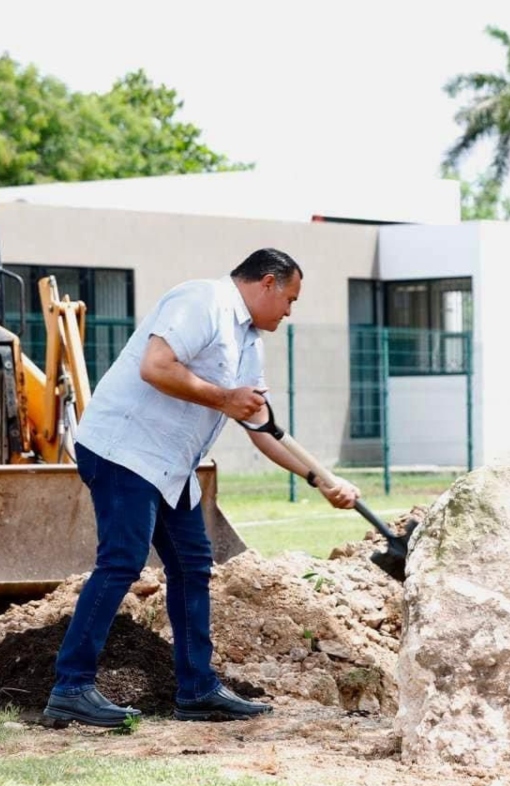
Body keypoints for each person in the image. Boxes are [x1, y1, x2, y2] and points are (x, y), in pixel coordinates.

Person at [44, 247, 360, 728]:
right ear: (268, 283)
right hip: (124, 449)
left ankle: (196, 690)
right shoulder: (203, 301)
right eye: (290, 299)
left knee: (193, 566)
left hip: (170, 465)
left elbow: (260, 426)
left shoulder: (251, 341)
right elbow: (156, 365)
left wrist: (318, 479)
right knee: (122, 561)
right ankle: (71, 688)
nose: (290, 311)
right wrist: (224, 397)